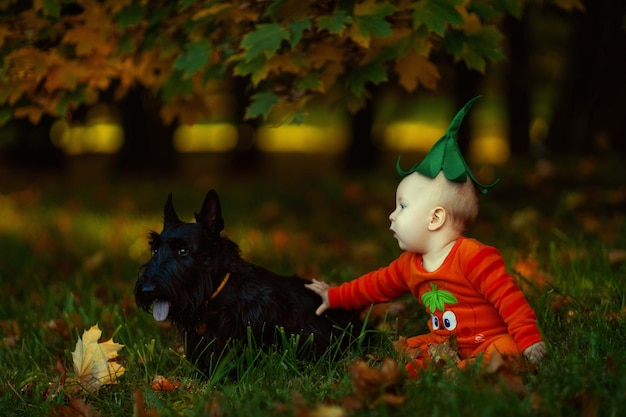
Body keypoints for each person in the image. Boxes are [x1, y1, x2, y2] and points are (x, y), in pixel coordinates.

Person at [306, 97, 546, 375]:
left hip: (488, 340)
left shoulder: (473, 256)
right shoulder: (409, 264)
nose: (392, 215)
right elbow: (374, 285)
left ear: (435, 218)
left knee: (506, 350)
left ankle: (464, 370)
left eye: (402, 207)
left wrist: (529, 340)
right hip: (444, 341)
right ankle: (421, 370)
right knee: (411, 347)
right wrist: (335, 296)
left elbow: (510, 299)